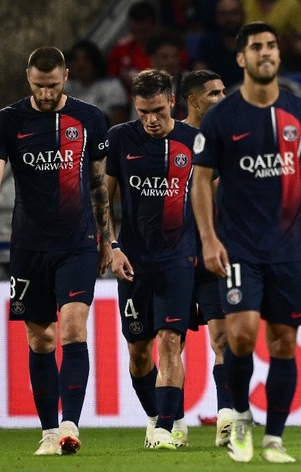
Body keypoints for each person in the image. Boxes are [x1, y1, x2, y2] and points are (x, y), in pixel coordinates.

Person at [191, 21, 301, 463]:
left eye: (272, 45)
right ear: (242, 58)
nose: (266, 53)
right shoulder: (221, 117)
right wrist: (209, 239)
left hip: (289, 247)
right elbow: (199, 181)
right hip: (238, 247)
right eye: (257, 47)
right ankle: (240, 416)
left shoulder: (300, 111)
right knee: (241, 335)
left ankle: (273, 439)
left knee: (284, 343)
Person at [0, 46, 111, 455]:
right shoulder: (8, 120)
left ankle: (70, 425)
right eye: (39, 85)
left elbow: (99, 185)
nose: (47, 92)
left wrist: (108, 240)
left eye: (53, 85)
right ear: (28, 78)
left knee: (73, 327)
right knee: (40, 340)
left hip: (77, 242)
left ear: (66, 76)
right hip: (29, 245)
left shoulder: (90, 118)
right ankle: (49, 431)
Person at [105, 68, 197, 450]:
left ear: (172, 101)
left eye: (158, 110)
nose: (151, 119)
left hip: (178, 257)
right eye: (143, 112)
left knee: (170, 341)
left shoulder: (195, 140)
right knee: (139, 354)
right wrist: (111, 247)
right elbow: (101, 199)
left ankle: (165, 429)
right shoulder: (119, 138)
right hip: (132, 259)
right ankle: (158, 417)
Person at [180, 69, 236, 446]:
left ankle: (227, 420)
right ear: (194, 100)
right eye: (213, 94)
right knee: (169, 342)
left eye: (223, 92)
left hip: (216, 252)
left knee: (224, 337)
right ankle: (168, 422)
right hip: (173, 254)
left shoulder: (231, 139)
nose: (221, 99)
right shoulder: (173, 137)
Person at [65, 39, 129, 127]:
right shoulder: (66, 87)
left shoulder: (112, 86)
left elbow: (120, 127)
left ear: (95, 62)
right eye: (76, 60)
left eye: (85, 59)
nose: (80, 65)